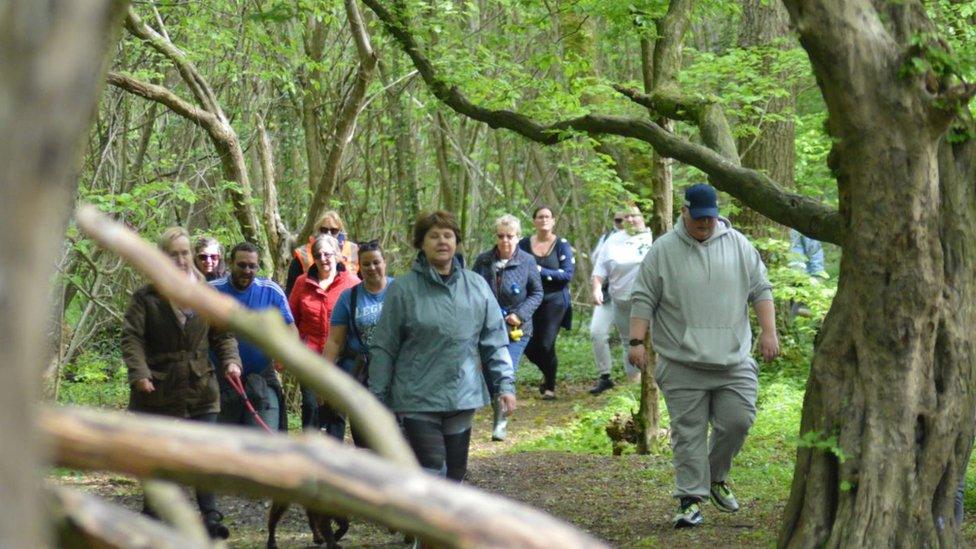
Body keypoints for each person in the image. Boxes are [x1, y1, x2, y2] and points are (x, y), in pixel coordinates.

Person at [628, 183, 779, 529]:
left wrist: (769, 332)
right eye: (698, 219)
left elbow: (761, 289)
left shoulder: (739, 245)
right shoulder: (663, 250)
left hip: (734, 359)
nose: (705, 224)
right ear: (684, 212)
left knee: (738, 421)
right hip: (682, 361)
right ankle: (689, 499)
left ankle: (715, 477)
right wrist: (636, 341)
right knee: (689, 432)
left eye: (710, 219)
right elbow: (643, 298)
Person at [369, 210, 516, 482]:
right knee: (432, 469)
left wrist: (504, 385)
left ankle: (444, 522)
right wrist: (376, 397)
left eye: (448, 235)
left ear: (456, 242)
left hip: (462, 394)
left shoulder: (476, 286)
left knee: (456, 472)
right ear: (421, 244)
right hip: (417, 397)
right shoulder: (403, 290)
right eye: (433, 236)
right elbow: (384, 347)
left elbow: (494, 341)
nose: (442, 241)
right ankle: (426, 522)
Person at [121, 227, 241, 539]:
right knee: (159, 458)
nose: (181, 259)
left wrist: (231, 361)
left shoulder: (206, 293)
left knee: (204, 452)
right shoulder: (146, 298)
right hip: (158, 390)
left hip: (202, 388)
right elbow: (131, 338)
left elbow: (223, 334)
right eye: (173, 254)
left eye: (185, 253)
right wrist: (140, 373)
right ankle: (152, 515)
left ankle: (211, 517)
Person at [472, 214, 543, 441]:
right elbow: (471, 291)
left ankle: (500, 423)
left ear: (518, 237)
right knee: (489, 374)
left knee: (506, 369)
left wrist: (520, 315)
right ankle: (496, 407)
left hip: (517, 331)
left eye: (510, 236)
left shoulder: (527, 261)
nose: (505, 241)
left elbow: (537, 292)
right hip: (488, 328)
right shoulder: (483, 261)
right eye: (501, 236)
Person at [211, 242, 294, 433]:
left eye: (252, 266)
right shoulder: (212, 291)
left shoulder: (270, 291)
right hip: (221, 380)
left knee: (265, 441)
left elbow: (290, 329)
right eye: (241, 265)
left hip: (261, 378)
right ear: (230, 263)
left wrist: (285, 356)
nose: (247, 270)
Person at [323, 239, 393, 445]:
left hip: (395, 373)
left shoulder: (399, 290)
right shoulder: (349, 297)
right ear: (359, 267)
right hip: (361, 373)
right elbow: (335, 341)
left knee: (395, 431)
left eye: (376, 262)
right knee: (365, 435)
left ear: (384, 262)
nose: (372, 268)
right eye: (366, 264)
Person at [288, 234, 360, 434]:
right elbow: (290, 317)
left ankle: (334, 460)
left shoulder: (352, 283)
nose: (323, 259)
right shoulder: (302, 282)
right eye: (318, 255)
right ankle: (309, 457)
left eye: (327, 254)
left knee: (336, 409)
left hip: (342, 356)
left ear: (337, 255)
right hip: (310, 354)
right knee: (311, 405)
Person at [589, 205, 654, 394]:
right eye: (626, 216)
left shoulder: (654, 238)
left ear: (644, 217)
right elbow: (600, 270)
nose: (631, 220)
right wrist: (596, 289)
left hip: (648, 301)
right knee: (630, 342)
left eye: (634, 215)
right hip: (621, 301)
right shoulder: (613, 241)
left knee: (654, 342)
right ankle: (634, 386)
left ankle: (656, 385)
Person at [517, 206, 575, 400]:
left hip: (555, 301)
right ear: (534, 221)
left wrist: (538, 270)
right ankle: (548, 374)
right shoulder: (523, 244)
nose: (544, 220)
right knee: (526, 344)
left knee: (545, 344)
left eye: (547, 217)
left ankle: (550, 386)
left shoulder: (562, 245)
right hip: (530, 299)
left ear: (553, 220)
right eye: (540, 217)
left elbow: (566, 275)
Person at [286, 211, 360, 295]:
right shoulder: (303, 253)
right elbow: (291, 292)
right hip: (312, 300)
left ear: (340, 231)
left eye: (333, 231)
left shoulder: (354, 251)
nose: (328, 234)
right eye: (324, 230)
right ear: (318, 230)